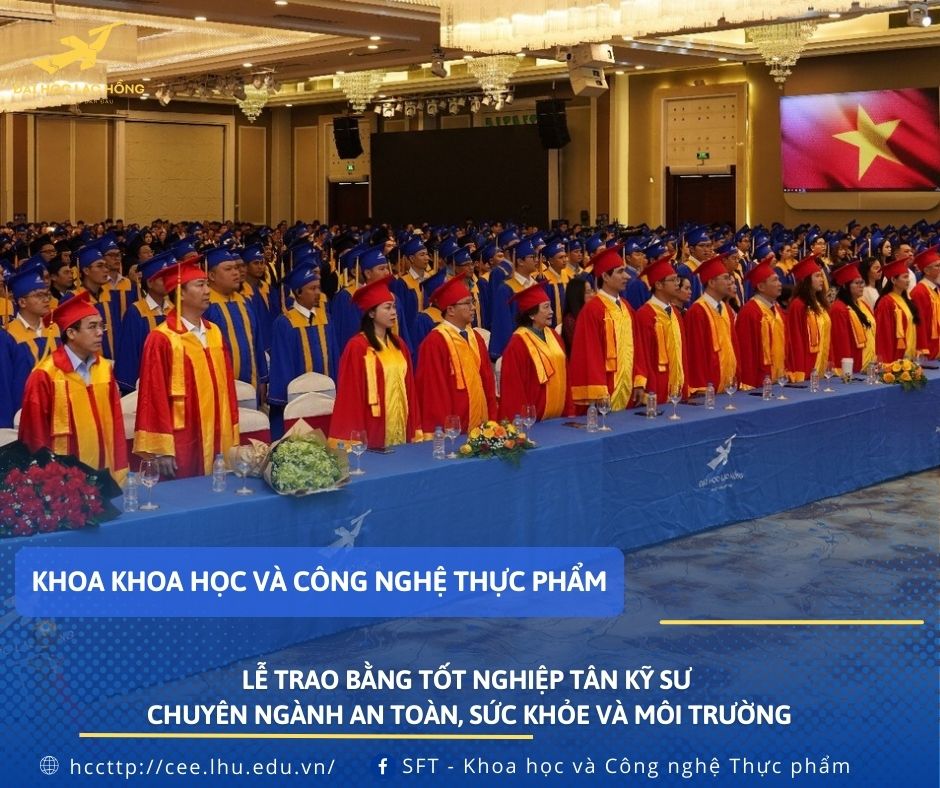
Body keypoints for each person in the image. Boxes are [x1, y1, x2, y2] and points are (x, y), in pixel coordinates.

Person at [134, 260, 239, 479]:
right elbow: (153, 396)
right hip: (183, 437)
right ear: (180, 293)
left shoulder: (214, 332)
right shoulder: (162, 338)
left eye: (207, 284)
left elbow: (228, 388)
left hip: (219, 431)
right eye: (200, 285)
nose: (207, 290)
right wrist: (161, 447)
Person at [18, 292, 128, 483]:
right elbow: (35, 435)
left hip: (105, 472)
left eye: (101, 326)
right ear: (71, 333)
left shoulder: (103, 368)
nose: (100, 332)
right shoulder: (45, 375)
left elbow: (116, 423)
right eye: (92, 327)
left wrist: (119, 470)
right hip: (64, 482)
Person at [330, 276, 422, 449]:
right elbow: (350, 396)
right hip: (372, 426)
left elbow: (410, 388)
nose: (394, 312)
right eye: (387, 307)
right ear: (371, 313)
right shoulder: (357, 347)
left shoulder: (399, 344)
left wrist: (415, 426)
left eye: (394, 307)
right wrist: (354, 437)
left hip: (401, 423)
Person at [569, 246, 647, 410]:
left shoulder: (627, 307)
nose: (627, 276)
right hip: (605, 390)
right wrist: (598, 390)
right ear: (605, 276)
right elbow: (589, 353)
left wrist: (639, 380)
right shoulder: (592, 310)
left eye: (625, 271)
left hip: (628, 387)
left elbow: (638, 346)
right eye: (620, 272)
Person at [416, 275, 497, 434]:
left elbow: (488, 381)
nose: (473, 307)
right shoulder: (435, 342)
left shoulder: (476, 337)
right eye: (467, 303)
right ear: (451, 310)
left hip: (482, 428)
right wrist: (444, 431)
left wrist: (492, 421)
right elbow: (434, 393)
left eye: (472, 302)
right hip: (453, 432)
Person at [268, 263, 339, 436]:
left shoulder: (326, 318)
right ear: (298, 292)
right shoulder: (285, 322)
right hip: (296, 400)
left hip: (327, 396)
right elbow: (282, 365)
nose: (318, 293)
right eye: (312, 289)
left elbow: (334, 356)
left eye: (318, 288)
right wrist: (288, 400)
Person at [203, 245, 269, 404]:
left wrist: (262, 379)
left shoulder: (244, 302)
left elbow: (257, 343)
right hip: (219, 389)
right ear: (211, 275)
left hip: (251, 385)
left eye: (236, 268)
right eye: (228, 269)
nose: (236, 273)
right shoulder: (205, 306)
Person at [498, 284, 570, 422]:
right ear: (531, 314)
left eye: (551, 306)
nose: (551, 311)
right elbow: (513, 388)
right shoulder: (517, 343)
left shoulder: (554, 335)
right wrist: (522, 420)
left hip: (559, 418)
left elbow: (567, 373)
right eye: (546, 307)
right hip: (534, 422)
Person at [114, 250, 174, 393]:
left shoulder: (173, 309)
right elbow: (129, 353)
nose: (167, 281)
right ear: (150, 283)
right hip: (145, 385)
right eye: (162, 278)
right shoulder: (136, 312)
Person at [634, 257, 687, 405]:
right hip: (656, 388)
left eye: (677, 279)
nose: (677, 284)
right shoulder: (645, 314)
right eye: (673, 280)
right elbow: (643, 354)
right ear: (658, 284)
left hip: (678, 388)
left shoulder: (675, 313)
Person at [683, 256, 739, 394]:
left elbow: (733, 344)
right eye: (725, 278)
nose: (730, 282)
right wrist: (700, 386)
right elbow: (695, 352)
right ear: (712, 282)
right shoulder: (697, 311)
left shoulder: (726, 308)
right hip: (708, 388)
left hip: (729, 383)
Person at [734, 263, 787, 390]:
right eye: (775, 280)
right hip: (758, 383)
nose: (780, 284)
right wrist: (748, 383)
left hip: (779, 380)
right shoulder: (749, 312)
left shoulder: (777, 309)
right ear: (761, 286)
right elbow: (746, 352)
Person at [489, 239, 539, 361]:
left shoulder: (536, 285)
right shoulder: (506, 289)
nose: (536, 260)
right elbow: (503, 325)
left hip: (538, 347)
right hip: (518, 351)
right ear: (520, 261)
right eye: (532, 257)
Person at [785, 256, 832, 381]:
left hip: (821, 367)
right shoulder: (798, 305)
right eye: (817, 276)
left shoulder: (820, 304)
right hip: (806, 367)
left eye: (821, 275)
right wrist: (798, 371)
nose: (821, 279)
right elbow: (795, 339)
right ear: (806, 280)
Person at [5, 263, 59, 366]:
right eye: (39, 295)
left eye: (46, 294)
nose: (46, 300)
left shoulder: (54, 328)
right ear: (22, 302)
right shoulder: (8, 335)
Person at [830, 262, 876, 374]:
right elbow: (841, 343)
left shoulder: (863, 304)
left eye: (862, 282)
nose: (861, 286)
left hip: (870, 366)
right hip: (854, 369)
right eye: (857, 283)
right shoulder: (838, 308)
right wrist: (846, 371)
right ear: (845, 286)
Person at [874, 258, 919, 362]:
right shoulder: (886, 302)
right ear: (894, 280)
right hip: (894, 359)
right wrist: (888, 362)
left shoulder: (905, 300)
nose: (908, 280)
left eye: (908, 277)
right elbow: (884, 335)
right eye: (905, 277)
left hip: (908, 357)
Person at [910, 246, 940, 359]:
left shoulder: (936, 289)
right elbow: (920, 323)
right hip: (929, 348)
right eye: (937, 266)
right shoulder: (919, 292)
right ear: (927, 271)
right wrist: (923, 348)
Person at [561, 276, 594, 355]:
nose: (592, 295)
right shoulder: (570, 320)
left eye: (592, 291)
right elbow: (581, 347)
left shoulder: (590, 314)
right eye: (588, 292)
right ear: (577, 295)